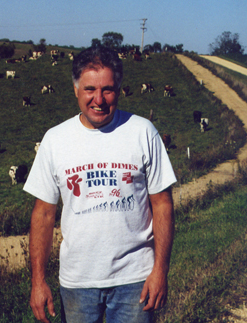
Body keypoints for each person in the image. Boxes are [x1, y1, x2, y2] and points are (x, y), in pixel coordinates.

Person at [23, 46, 177, 323]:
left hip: (136, 279)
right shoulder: (55, 140)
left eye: (107, 89)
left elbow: (163, 204)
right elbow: (43, 214)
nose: (99, 99)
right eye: (89, 89)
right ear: (76, 90)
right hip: (78, 281)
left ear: (118, 89)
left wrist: (160, 271)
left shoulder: (142, 132)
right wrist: (38, 281)